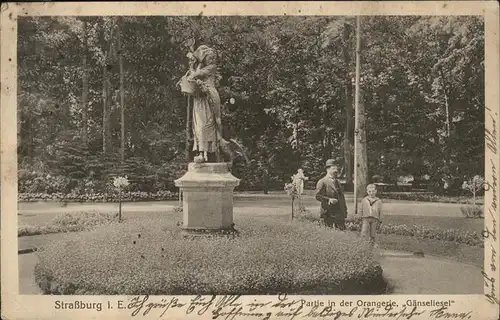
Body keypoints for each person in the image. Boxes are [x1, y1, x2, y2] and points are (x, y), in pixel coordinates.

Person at [189, 45, 222, 162]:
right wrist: (194, 63)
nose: (212, 60)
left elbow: (194, 75)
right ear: (204, 59)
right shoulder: (202, 67)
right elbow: (191, 77)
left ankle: (217, 146)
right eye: (209, 58)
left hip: (209, 98)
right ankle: (201, 152)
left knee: (211, 123)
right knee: (198, 126)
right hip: (199, 99)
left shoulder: (212, 68)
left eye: (213, 57)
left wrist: (195, 64)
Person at [315, 159, 348, 230]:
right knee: (328, 234)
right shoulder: (322, 181)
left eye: (336, 168)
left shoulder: (338, 182)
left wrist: (344, 210)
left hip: (339, 213)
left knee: (342, 233)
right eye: (333, 168)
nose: (336, 170)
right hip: (328, 212)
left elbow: (341, 197)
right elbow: (318, 196)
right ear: (327, 169)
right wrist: (329, 199)